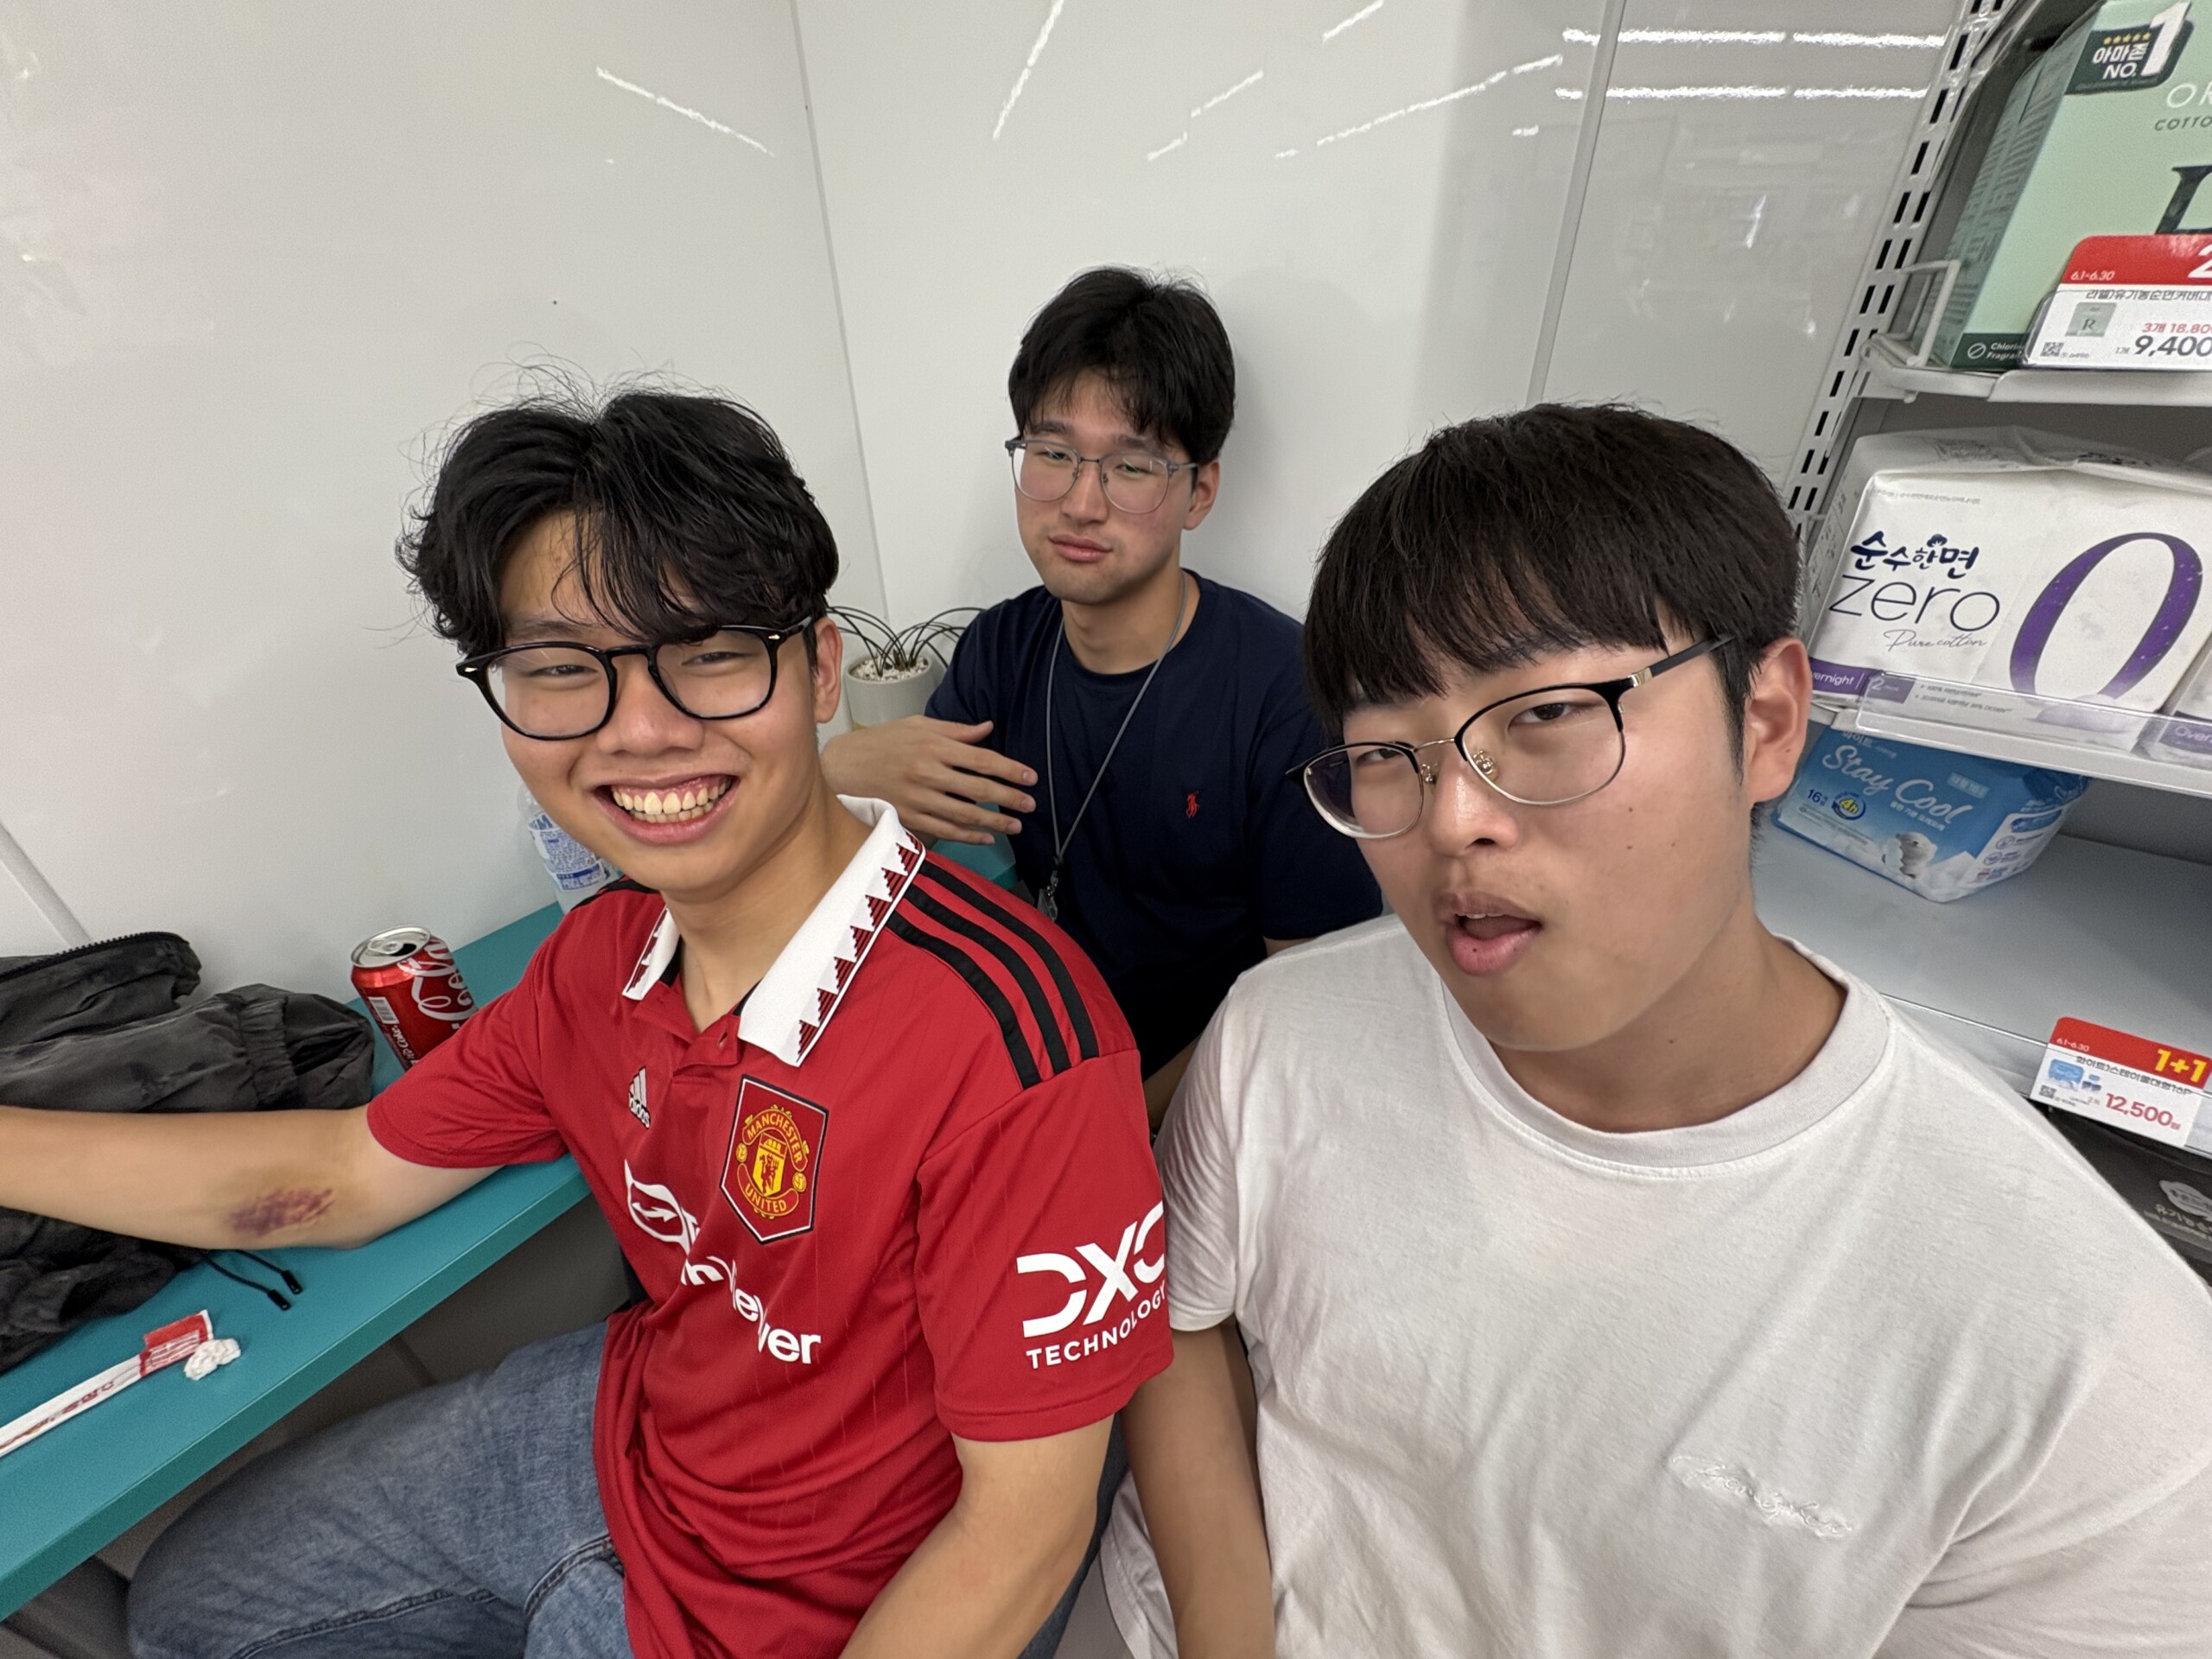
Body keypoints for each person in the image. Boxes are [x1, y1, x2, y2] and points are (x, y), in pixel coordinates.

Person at [0, 390, 1171, 1659]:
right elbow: (341, 1173)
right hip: (629, 1432)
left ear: (821, 668)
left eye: (709, 650)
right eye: (562, 670)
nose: (644, 731)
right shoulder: (598, 958)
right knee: (186, 1609)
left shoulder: (1013, 1043)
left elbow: (1021, 1532)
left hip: (819, 1594)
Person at [1106, 404, 2212, 1657]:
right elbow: (1182, 1319)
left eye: (1546, 712)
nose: (1453, 818)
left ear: (1767, 721)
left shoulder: (2095, 1374)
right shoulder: (1281, 1032)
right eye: (1385, 752)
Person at [823, 268, 1378, 1122]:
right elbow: (898, 891)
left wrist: (1119, 1122)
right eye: (1052, 454)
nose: (1081, 503)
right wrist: (836, 772)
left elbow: (1307, 998)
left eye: (1130, 465)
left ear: (1198, 492)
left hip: (1201, 1109)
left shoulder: (1284, 695)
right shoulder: (999, 649)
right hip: (1035, 1070)